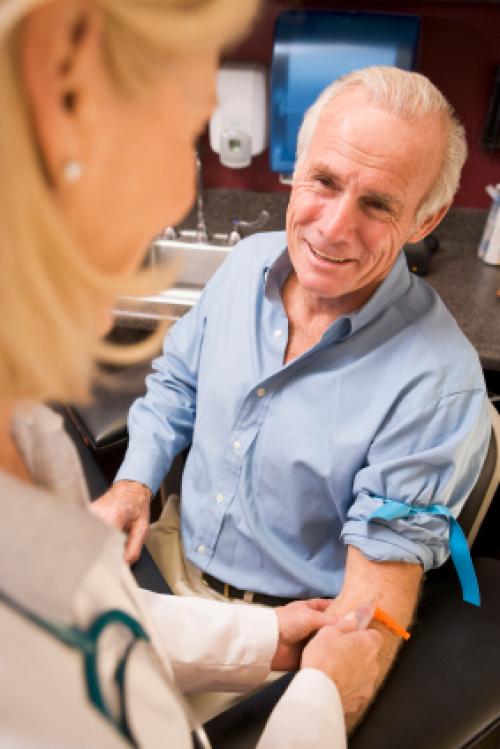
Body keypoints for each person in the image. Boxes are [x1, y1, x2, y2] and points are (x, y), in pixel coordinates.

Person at [0, 1, 383, 747]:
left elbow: (80, 612)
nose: (184, 190)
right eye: (182, 132)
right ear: (64, 82)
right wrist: (313, 712)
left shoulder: (25, 436)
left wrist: (261, 637)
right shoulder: (244, 268)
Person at [93, 65, 492, 725]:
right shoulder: (247, 261)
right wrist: (134, 482)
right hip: (158, 569)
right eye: (325, 181)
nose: (333, 229)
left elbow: (373, 611)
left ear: (429, 216)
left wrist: (314, 707)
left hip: (284, 634)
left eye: (377, 204)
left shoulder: (436, 386)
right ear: (296, 167)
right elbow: (176, 385)